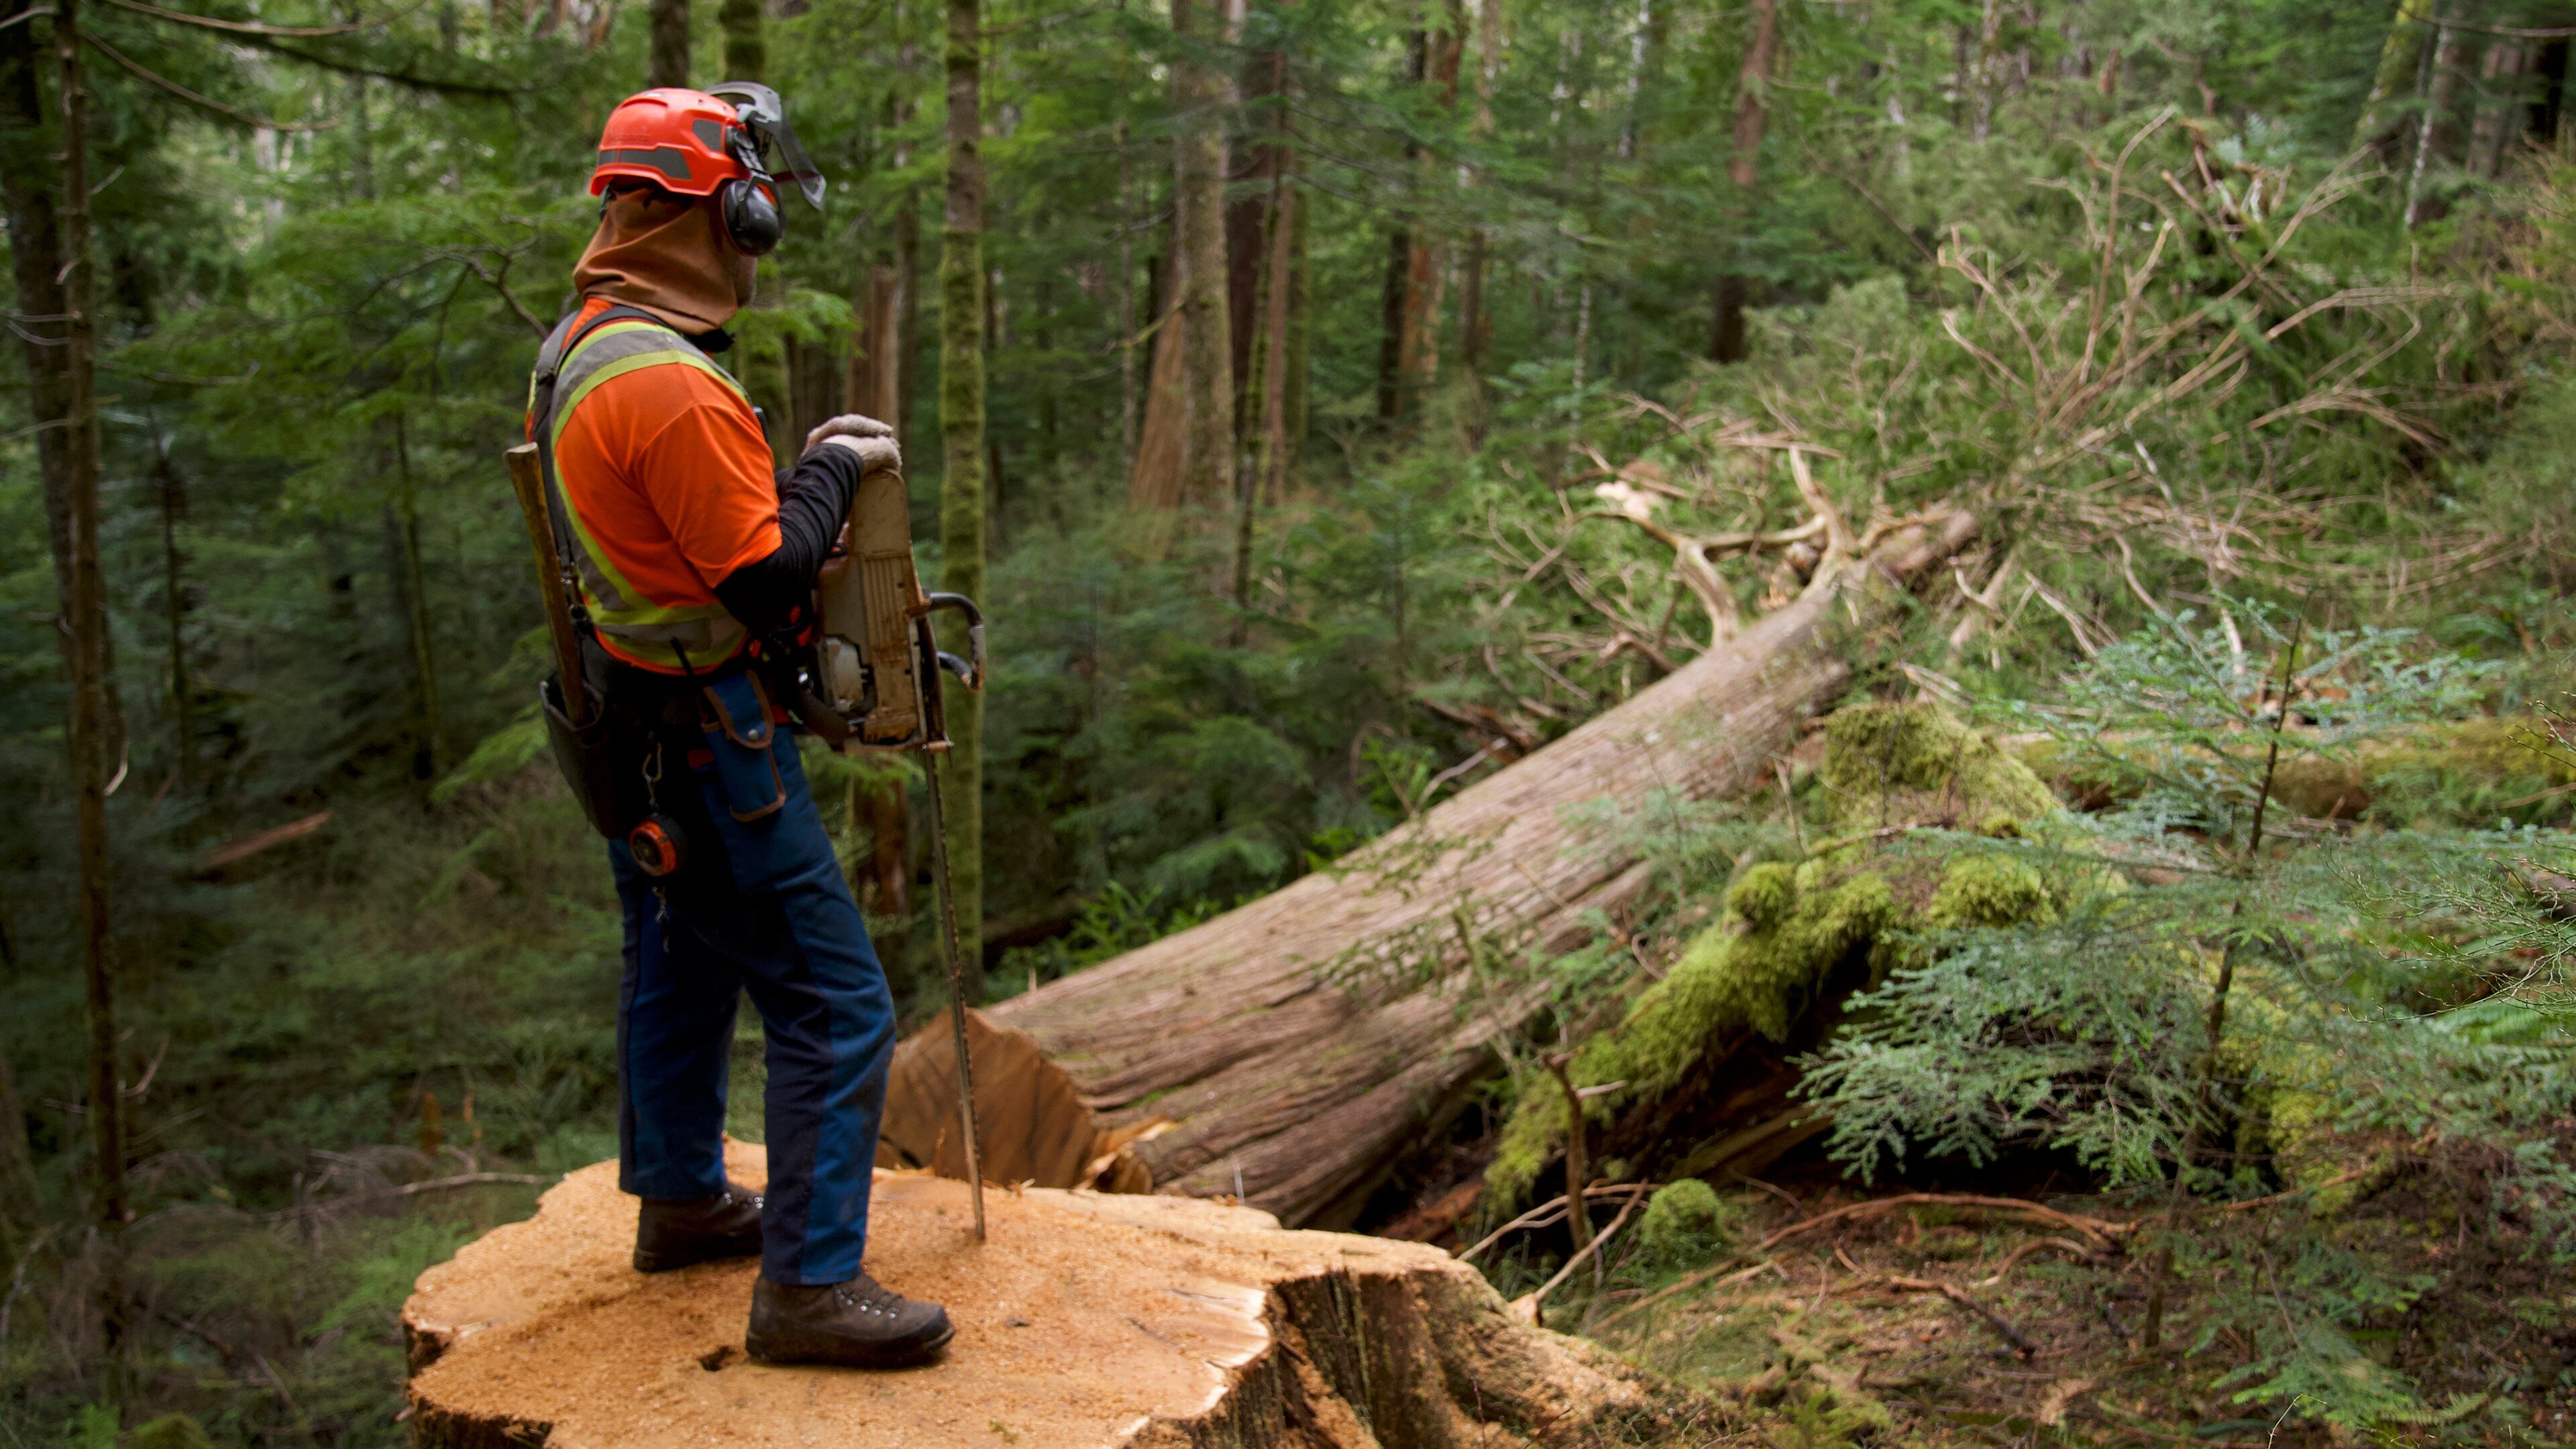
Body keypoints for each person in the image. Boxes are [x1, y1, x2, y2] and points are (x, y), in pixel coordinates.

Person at [525, 86, 951, 1368]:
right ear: (729, 208)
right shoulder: (669, 388)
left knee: (678, 958)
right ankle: (812, 1289)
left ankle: (680, 1198)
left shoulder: (579, 349)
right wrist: (833, 466)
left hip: (629, 725)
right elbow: (763, 582)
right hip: (712, 744)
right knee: (836, 1002)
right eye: (750, 200)